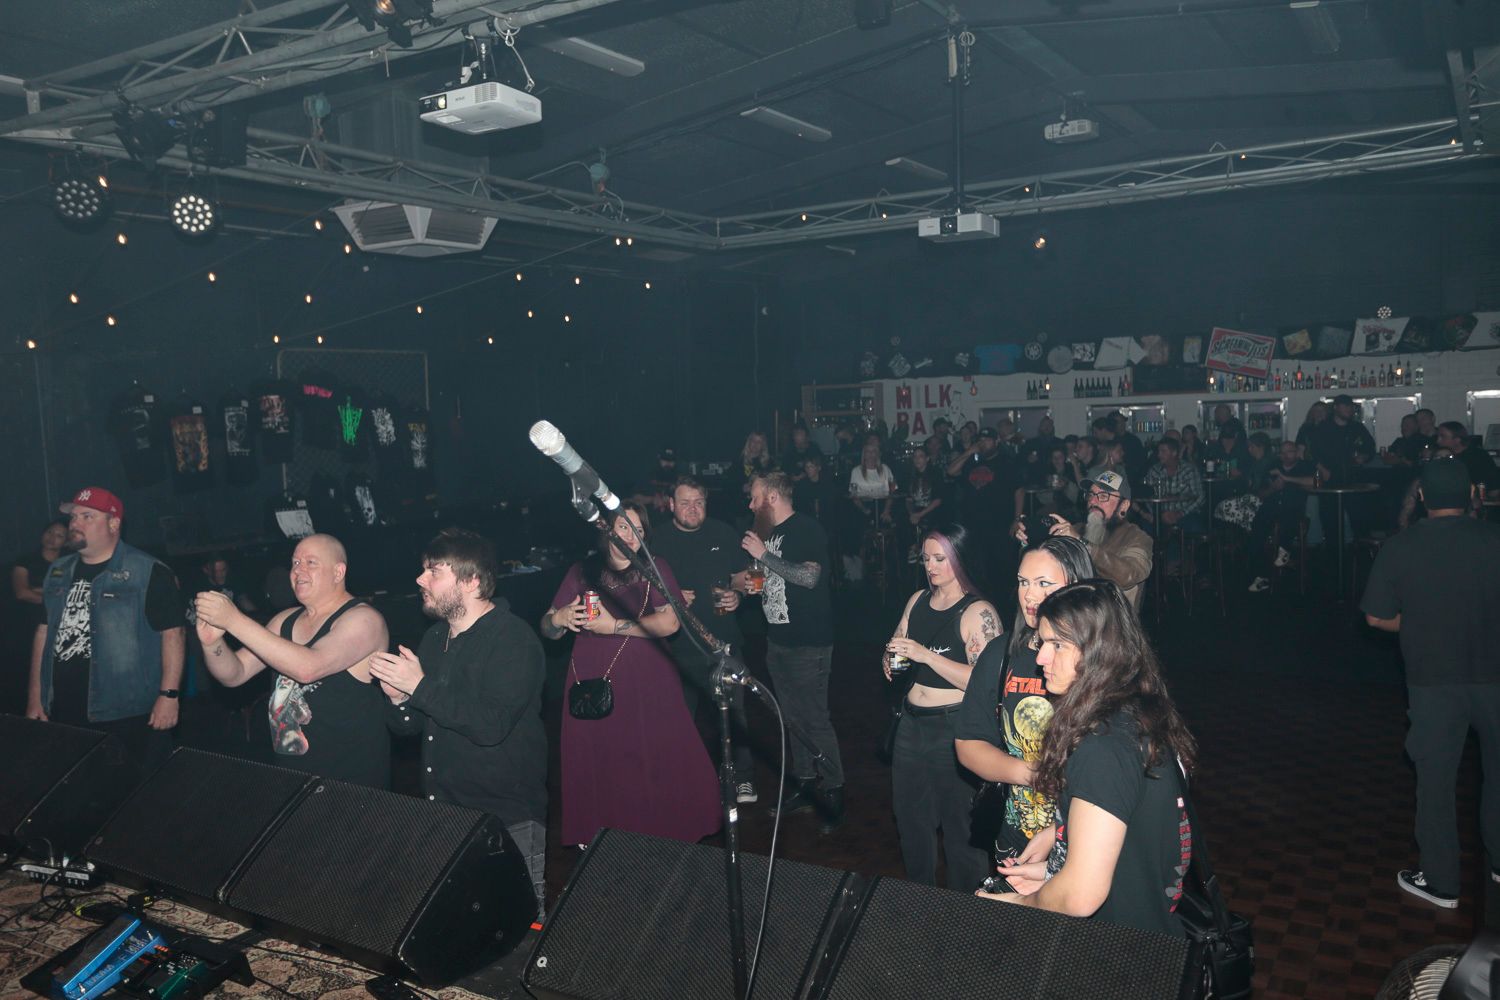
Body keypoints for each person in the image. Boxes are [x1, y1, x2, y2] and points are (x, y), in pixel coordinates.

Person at [978, 579, 1198, 936]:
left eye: (1057, 644)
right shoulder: (1138, 715)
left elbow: (1081, 895)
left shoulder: (1103, 747)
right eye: (1042, 643)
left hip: (1115, 947)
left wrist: (1019, 903)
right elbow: (1130, 846)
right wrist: (1053, 873)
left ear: (1099, 651)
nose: (1040, 658)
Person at [375, 529, 548, 917]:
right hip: (444, 813)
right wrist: (399, 699)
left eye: (434, 571)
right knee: (456, 928)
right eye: (423, 570)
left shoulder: (512, 639)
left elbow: (490, 725)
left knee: (518, 933)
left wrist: (419, 687)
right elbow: (410, 729)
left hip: (505, 820)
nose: (420, 579)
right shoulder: (435, 638)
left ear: (471, 581)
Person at [1362, 458, 1500, 909]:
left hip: (1432, 679)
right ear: (1473, 495)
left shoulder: (1400, 546)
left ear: (1422, 498)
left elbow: (1377, 617)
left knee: (1436, 781)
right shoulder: (1495, 540)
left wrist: (1420, 622)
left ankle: (1442, 883)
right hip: (1495, 675)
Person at [541, 502, 719, 847]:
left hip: (648, 676)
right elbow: (548, 628)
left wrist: (614, 626)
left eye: (637, 529)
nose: (630, 536)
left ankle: (664, 831)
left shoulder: (654, 567)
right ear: (607, 530)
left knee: (655, 754)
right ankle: (605, 835)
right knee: (604, 757)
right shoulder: (582, 571)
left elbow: (670, 623)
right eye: (623, 527)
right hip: (593, 677)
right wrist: (559, 619)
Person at [195, 533, 391, 787]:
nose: (298, 570)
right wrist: (212, 643)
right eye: (295, 563)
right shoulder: (284, 620)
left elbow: (308, 668)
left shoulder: (364, 619)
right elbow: (235, 674)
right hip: (292, 776)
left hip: (349, 782)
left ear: (338, 572)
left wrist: (233, 620)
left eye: (311, 562)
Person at [955, 537, 1094, 874]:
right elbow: (968, 744)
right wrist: (1030, 773)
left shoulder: (1098, 662)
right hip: (1014, 838)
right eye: (1023, 582)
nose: (1029, 595)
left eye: (1044, 583)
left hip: (1083, 841)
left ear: (1076, 586)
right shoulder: (1000, 654)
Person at [28, 488, 185, 778]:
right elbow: (43, 632)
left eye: (87, 516)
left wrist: (169, 695)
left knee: (136, 792)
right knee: (77, 790)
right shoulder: (58, 571)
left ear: (113, 523)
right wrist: (36, 696)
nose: (75, 523)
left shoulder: (146, 570)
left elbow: (173, 634)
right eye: (74, 517)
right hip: (65, 705)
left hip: (126, 711)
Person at [882, 525, 1001, 889]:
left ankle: (964, 904)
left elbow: (987, 683)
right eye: (926, 559)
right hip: (911, 723)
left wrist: (926, 656)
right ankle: (921, 895)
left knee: (959, 825)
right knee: (911, 820)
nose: (930, 566)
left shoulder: (977, 611)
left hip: (954, 727)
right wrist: (890, 658)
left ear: (959, 558)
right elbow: (898, 642)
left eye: (939, 558)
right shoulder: (918, 600)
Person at [738, 471, 843, 832]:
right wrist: (751, 584)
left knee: (815, 718)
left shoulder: (806, 529)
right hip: (778, 640)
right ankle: (805, 784)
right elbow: (769, 579)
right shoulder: (769, 533)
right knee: (791, 718)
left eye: (755, 497)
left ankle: (834, 790)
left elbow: (810, 578)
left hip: (809, 643)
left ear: (771, 497)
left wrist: (764, 555)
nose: (750, 504)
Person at [649, 477, 756, 801]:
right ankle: (687, 780)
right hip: (677, 647)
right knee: (680, 719)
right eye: (685, 503)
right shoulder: (657, 540)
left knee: (734, 714)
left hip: (723, 643)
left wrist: (739, 593)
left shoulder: (723, 532)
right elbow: (640, 589)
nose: (693, 509)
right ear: (671, 505)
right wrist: (669, 596)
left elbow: (748, 576)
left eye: (699, 502)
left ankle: (742, 778)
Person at [1018, 471, 1152, 611]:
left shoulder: (1137, 538)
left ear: (1124, 505)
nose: (1092, 501)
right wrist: (1027, 540)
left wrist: (1081, 543)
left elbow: (1129, 575)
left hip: (1113, 621)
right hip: (1071, 616)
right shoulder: (1077, 529)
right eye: (1091, 494)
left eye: (1103, 496)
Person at [1246, 440, 1317, 592]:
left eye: (1289, 451)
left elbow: (1316, 482)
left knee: (1289, 517)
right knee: (1256, 530)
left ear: (1296, 452)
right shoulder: (1273, 466)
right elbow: (1261, 494)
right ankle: (1260, 576)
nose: (1285, 455)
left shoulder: (1304, 466)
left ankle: (1284, 550)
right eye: (1282, 452)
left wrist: (1286, 478)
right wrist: (1273, 488)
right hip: (1271, 508)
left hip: (1293, 509)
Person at [1142, 438, 1205, 533]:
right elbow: (1147, 497)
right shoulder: (1154, 471)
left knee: (1194, 526)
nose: (1159, 455)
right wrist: (1159, 515)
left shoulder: (1189, 470)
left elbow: (1200, 497)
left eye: (1163, 451)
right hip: (1161, 515)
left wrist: (1180, 513)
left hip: (1185, 514)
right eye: (1159, 451)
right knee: (1144, 527)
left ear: (1174, 452)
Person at [1436, 420, 1499, 492]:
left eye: (1443, 437)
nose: (1438, 441)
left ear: (1457, 439)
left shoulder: (1478, 456)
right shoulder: (1439, 455)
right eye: (1438, 436)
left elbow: (1493, 486)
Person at [848, 435, 897, 528]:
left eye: (873, 451)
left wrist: (886, 510)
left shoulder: (885, 468)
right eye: (868, 451)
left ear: (877, 454)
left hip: (883, 505)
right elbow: (853, 495)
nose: (870, 454)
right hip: (863, 506)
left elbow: (892, 492)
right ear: (864, 454)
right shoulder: (856, 471)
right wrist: (865, 510)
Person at [726, 431, 776, 499]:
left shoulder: (769, 463)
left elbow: (773, 484)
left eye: (759, 442)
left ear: (763, 445)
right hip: (739, 501)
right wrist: (741, 488)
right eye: (753, 440)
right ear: (749, 442)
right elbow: (729, 483)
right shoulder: (738, 461)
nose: (755, 444)